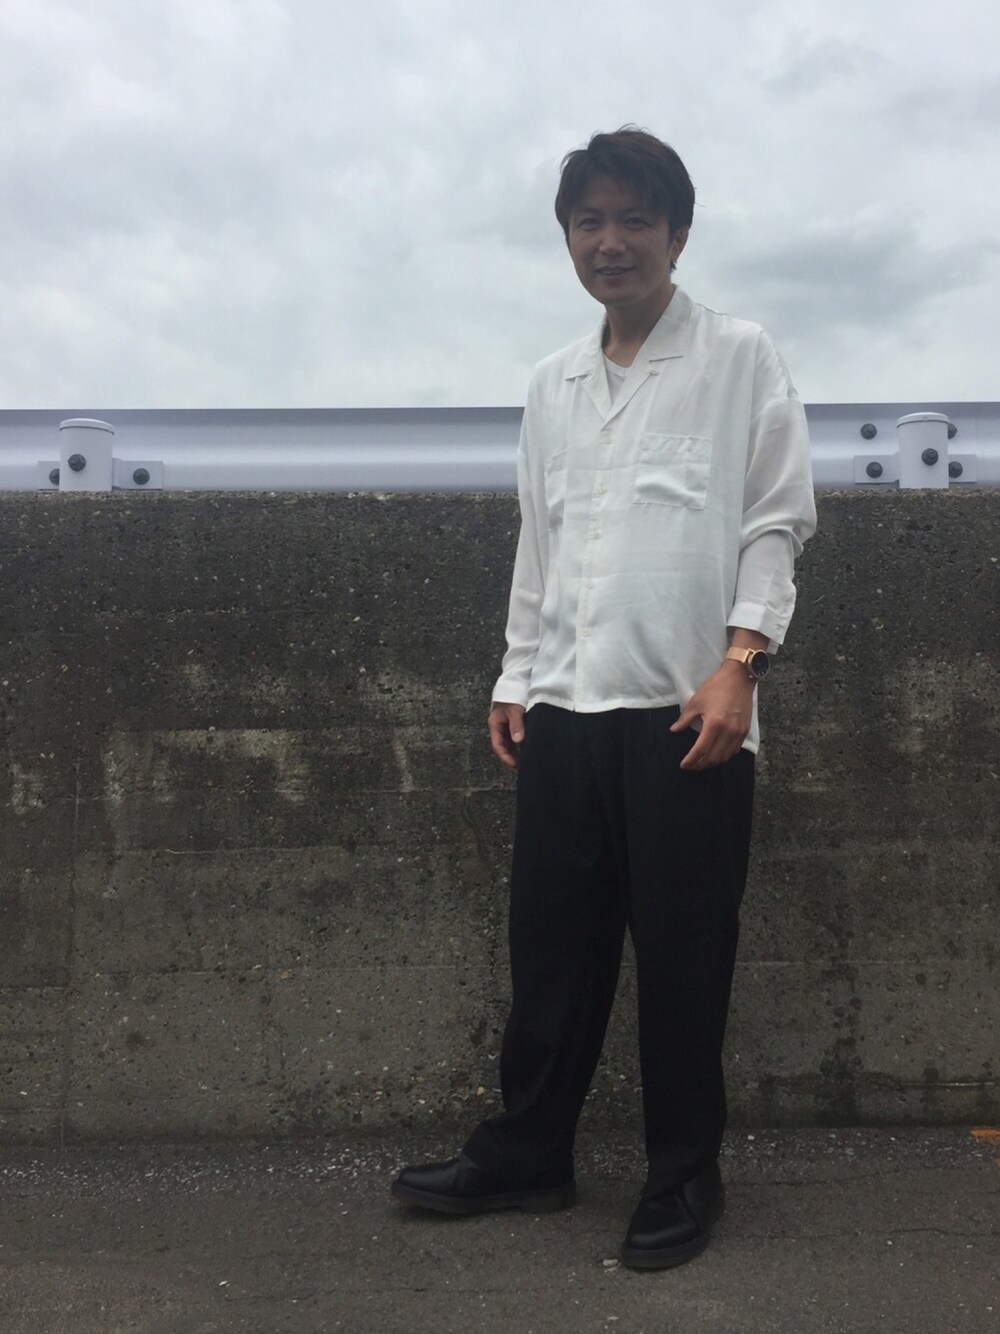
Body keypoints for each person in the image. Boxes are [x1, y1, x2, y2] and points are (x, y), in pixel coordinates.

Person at [391, 127, 817, 1270]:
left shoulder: (738, 357)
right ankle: (529, 1152)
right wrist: (513, 671)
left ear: (677, 233)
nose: (610, 240)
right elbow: (541, 537)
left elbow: (776, 519)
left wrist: (740, 663)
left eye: (635, 218)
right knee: (552, 954)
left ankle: (683, 1172)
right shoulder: (553, 383)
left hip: (689, 712)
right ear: (568, 238)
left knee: (685, 956)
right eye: (590, 221)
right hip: (564, 709)